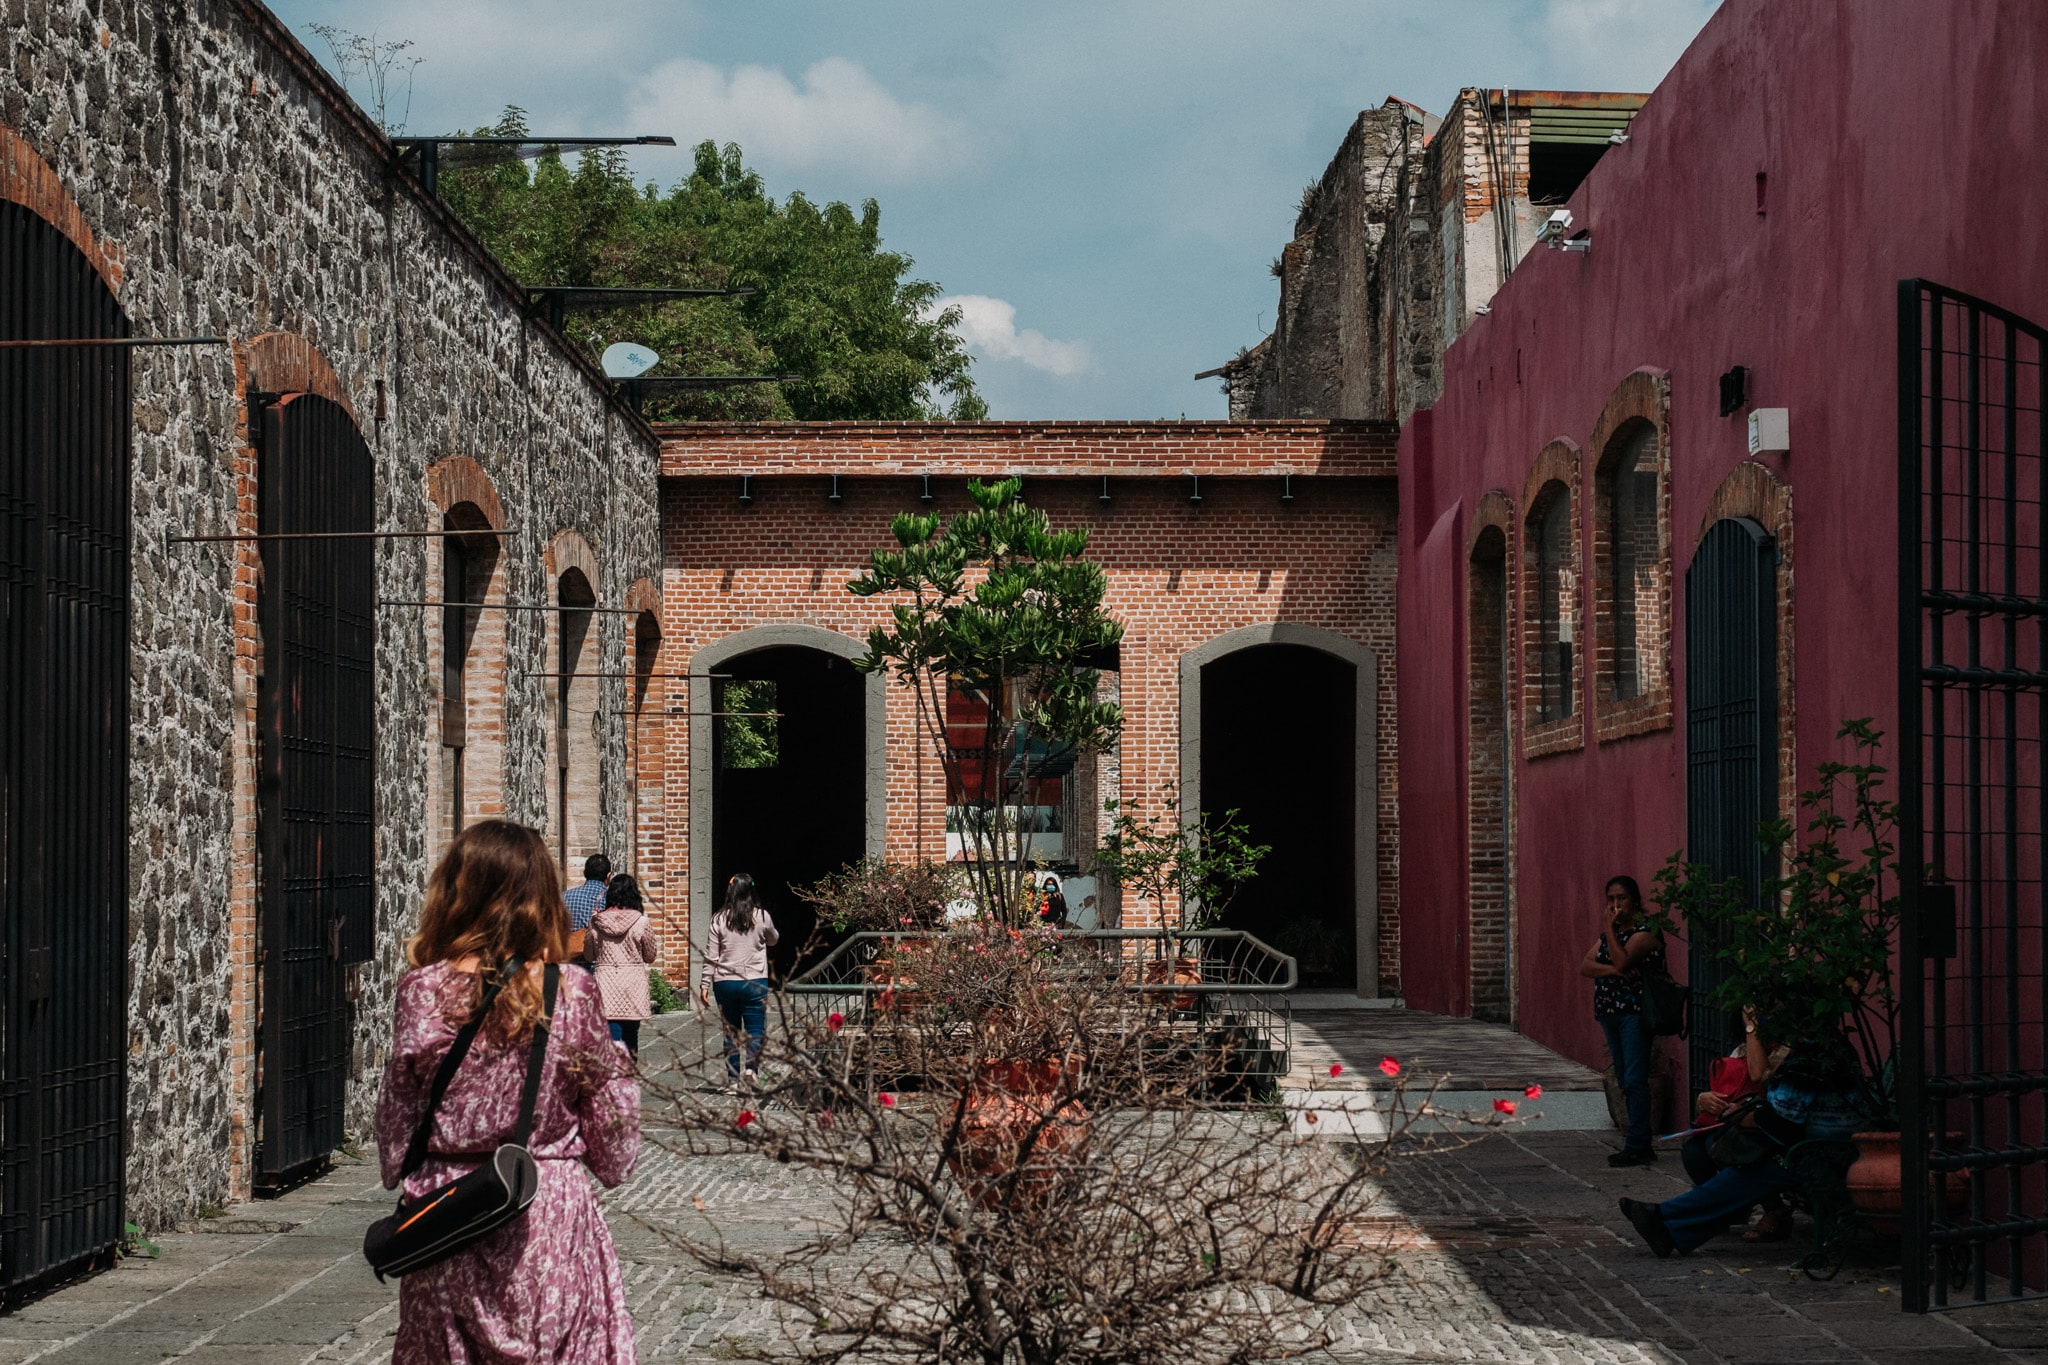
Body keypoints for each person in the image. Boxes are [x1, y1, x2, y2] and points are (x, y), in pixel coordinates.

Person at [374, 820, 640, 1362]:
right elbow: (616, 1153)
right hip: (546, 1212)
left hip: (449, 1214)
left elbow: (396, 1129)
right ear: (542, 896)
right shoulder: (572, 992)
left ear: (454, 892)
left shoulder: (422, 990)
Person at [1621, 1008, 1866, 1257]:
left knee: (1751, 1169)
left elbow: (1780, 1115)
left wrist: (1745, 1116)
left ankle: (1664, 1218)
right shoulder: (1826, 1046)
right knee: (1719, 1156)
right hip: (1813, 1144)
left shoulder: (1812, 1053)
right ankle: (1669, 1227)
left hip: (1822, 1152)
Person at [1579, 874, 1665, 1167]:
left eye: (1621, 899)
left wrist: (1607, 930)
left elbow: (1623, 960)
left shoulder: (1645, 932)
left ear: (1635, 901)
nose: (1615, 906)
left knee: (1635, 1079)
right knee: (1625, 1079)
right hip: (1610, 1013)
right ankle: (1636, 1141)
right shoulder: (1611, 935)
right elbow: (1587, 966)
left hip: (1634, 1013)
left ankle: (1639, 1143)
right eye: (1611, 900)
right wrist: (1614, 972)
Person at [699, 872, 778, 1090]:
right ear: (752, 892)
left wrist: (704, 984)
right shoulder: (761, 916)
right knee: (755, 1029)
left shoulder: (719, 918)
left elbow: (711, 955)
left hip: (724, 982)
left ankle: (733, 1082)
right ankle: (751, 1070)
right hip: (754, 981)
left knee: (730, 1032)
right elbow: (773, 940)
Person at [587, 873, 659, 1059]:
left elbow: (589, 955)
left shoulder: (597, 922)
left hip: (605, 984)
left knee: (612, 1038)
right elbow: (650, 956)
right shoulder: (641, 922)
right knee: (631, 1037)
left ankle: (613, 1080)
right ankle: (629, 1080)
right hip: (632, 986)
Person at [564, 852, 611, 968]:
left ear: (584, 873)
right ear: (609, 875)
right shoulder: (612, 898)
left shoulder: (564, 897)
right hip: (602, 965)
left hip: (571, 963)